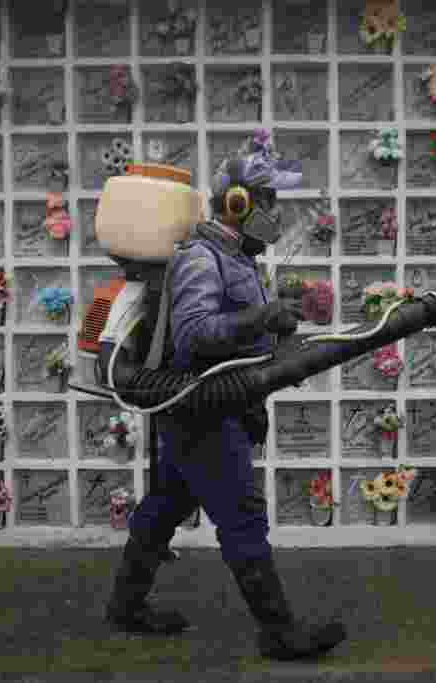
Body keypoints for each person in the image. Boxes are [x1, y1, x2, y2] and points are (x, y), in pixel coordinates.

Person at [104, 140, 347, 661]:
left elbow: (237, 340)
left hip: (212, 407)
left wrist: (275, 338)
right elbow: (196, 336)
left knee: (167, 502)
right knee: (241, 515)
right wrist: (262, 318)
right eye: (268, 200)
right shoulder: (202, 258)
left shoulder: (237, 259)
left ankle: (126, 606)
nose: (277, 213)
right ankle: (280, 631)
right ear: (236, 203)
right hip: (200, 410)